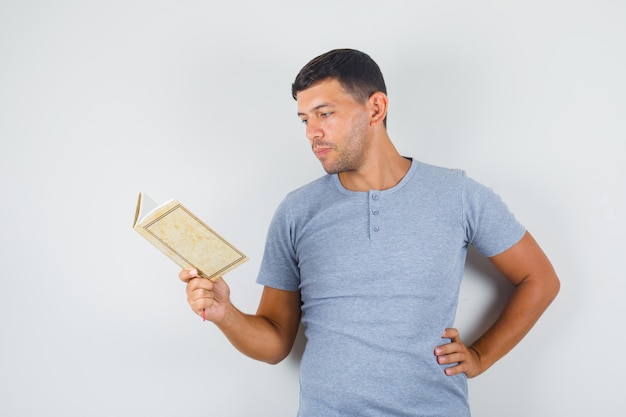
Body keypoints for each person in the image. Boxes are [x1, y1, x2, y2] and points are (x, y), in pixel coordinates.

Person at [179, 49, 560, 416]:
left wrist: (480, 356)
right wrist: (225, 313)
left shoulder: (458, 195)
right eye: (304, 119)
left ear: (376, 108)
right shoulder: (297, 211)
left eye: (324, 114)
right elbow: (276, 341)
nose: (312, 132)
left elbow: (540, 279)